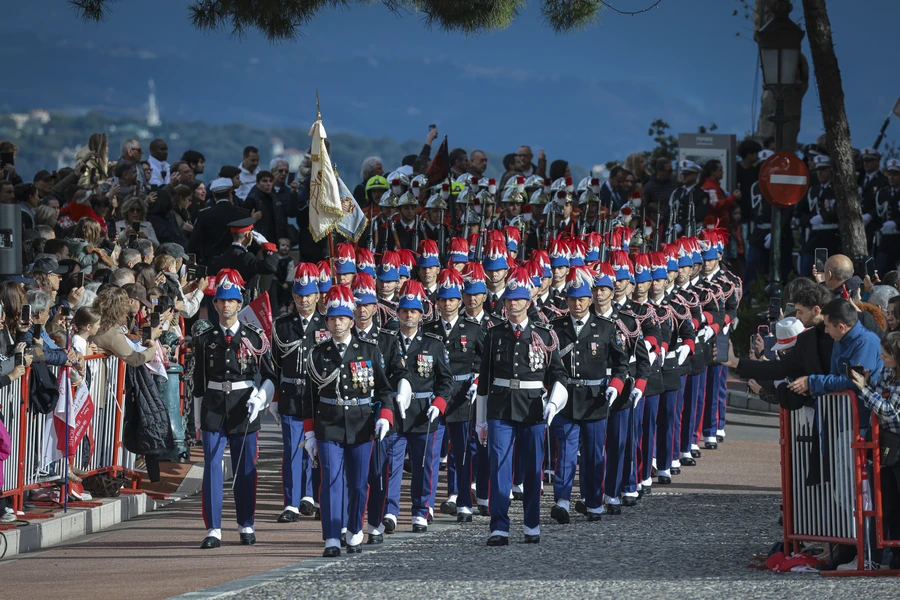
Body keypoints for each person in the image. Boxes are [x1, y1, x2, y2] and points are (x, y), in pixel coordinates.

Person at [475, 265, 567, 545]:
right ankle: (499, 527)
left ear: (528, 303)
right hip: (500, 409)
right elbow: (485, 380)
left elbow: (558, 374)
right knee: (499, 468)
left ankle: (531, 524)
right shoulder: (494, 335)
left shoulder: (545, 334)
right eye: (509, 301)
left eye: (518, 301)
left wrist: (554, 403)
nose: (513, 305)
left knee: (531, 469)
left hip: (532, 409)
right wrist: (481, 419)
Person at [302, 285, 395, 557]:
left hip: (361, 423)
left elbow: (385, 389)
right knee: (330, 480)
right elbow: (308, 397)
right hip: (328, 423)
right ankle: (331, 536)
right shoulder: (317, 354)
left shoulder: (368, 349)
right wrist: (309, 433)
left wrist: (385, 418)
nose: (336, 323)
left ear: (351, 321)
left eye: (341, 318)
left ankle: (354, 529)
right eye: (331, 319)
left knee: (357, 483)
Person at [191, 269, 276, 549]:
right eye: (220, 301)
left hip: (244, 407)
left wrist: (261, 399)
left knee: (245, 468)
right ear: (214, 305)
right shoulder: (205, 340)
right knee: (213, 468)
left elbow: (268, 376)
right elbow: (199, 384)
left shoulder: (254, 337)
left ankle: (246, 523)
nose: (225, 306)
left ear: (239, 304)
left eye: (231, 301)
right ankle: (213, 528)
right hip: (214, 408)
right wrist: (197, 419)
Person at [549, 266, 627, 524]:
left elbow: (621, 364)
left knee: (594, 454)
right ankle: (562, 499)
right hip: (566, 397)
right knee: (566, 453)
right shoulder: (556, 328)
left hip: (596, 399)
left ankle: (594, 501)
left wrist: (615, 386)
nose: (577, 303)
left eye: (582, 298)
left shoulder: (606, 327)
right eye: (572, 299)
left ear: (590, 299)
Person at [423, 269, 483, 521]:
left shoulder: (473, 328)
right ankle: (424, 505)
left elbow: (484, 361)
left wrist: (478, 381)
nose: (447, 304)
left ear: (460, 302)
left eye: (452, 300)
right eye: (443, 300)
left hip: (460, 397)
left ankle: (462, 501)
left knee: (462, 452)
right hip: (434, 397)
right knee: (430, 454)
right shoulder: (428, 329)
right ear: (436, 303)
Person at [271, 264, 325, 522]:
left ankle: (313, 497)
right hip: (291, 393)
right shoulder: (282, 325)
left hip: (317, 396)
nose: (304, 300)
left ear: (317, 296)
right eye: (299, 295)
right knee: (293, 449)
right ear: (293, 297)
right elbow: (272, 364)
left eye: (309, 294)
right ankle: (292, 503)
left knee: (317, 450)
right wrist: (272, 397)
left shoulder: (327, 323)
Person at [849, 331, 900, 566]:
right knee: (888, 503)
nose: (882, 359)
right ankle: (894, 556)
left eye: (886, 356)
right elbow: (881, 394)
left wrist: (864, 390)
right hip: (888, 445)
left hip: (896, 440)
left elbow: (889, 411)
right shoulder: (889, 371)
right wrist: (868, 383)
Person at [787, 299, 883, 419]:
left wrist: (811, 382)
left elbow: (854, 381)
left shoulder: (867, 342)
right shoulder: (839, 340)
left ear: (841, 327)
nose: (826, 331)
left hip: (863, 420)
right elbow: (834, 376)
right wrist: (812, 388)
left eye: (827, 326)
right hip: (844, 418)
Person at [188, 178, 253, 267]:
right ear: (230, 192)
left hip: (213, 264)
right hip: (238, 262)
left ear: (214, 195)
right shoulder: (243, 214)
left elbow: (195, 244)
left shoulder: (204, 214)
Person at [212, 217, 278, 303]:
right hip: (244, 303)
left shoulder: (223, 255)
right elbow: (270, 267)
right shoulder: (245, 256)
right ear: (248, 235)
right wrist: (267, 246)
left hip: (226, 301)